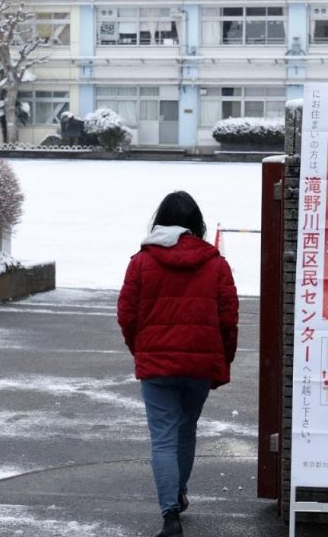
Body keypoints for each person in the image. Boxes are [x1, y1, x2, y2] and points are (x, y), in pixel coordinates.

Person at [117, 191, 239, 537]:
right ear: (196, 224)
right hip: (199, 366)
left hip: (156, 366)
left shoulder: (141, 262)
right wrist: (222, 359)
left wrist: (141, 350)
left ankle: (170, 513)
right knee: (186, 430)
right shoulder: (216, 264)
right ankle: (179, 492)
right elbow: (228, 319)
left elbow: (126, 315)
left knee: (163, 438)